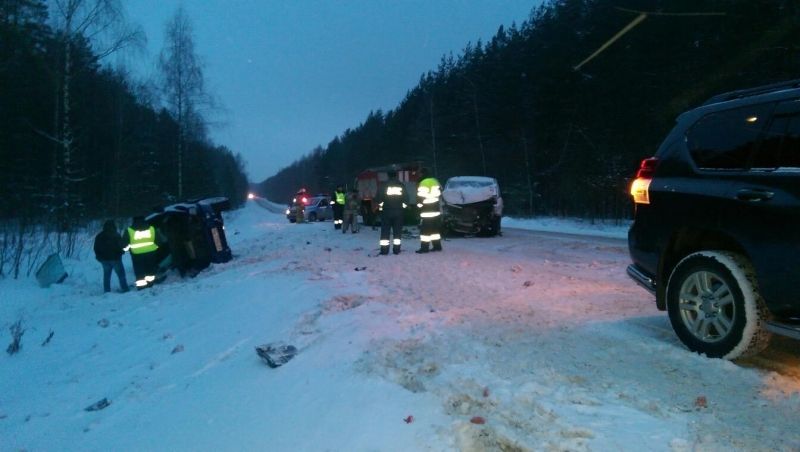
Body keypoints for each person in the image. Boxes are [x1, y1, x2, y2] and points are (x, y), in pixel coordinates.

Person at [123, 216, 163, 289]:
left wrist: (129, 249)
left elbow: (124, 244)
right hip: (150, 253)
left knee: (139, 270)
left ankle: (141, 287)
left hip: (136, 254)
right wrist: (154, 248)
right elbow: (158, 241)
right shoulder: (151, 228)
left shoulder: (129, 230)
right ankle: (150, 284)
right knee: (150, 269)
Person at [93, 220, 129, 293]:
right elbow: (121, 246)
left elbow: (96, 247)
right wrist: (122, 252)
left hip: (104, 259)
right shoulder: (116, 235)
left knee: (106, 275)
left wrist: (99, 257)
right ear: (114, 226)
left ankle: (107, 290)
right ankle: (124, 288)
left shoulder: (99, 236)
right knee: (121, 274)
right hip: (115, 259)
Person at [376, 170, 406, 255]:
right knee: (397, 232)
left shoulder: (383, 185)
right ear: (396, 176)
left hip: (386, 212)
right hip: (398, 212)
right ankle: (396, 250)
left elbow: (378, 198)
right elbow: (406, 199)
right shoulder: (401, 185)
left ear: (388, 176)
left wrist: (381, 206)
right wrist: (401, 208)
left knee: (385, 231)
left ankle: (384, 250)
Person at [415, 169, 443, 253]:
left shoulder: (423, 183)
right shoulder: (435, 181)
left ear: (423, 174)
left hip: (427, 211)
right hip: (436, 209)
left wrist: (419, 207)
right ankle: (437, 246)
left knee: (425, 231)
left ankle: (424, 248)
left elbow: (420, 197)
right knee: (435, 230)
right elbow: (441, 192)